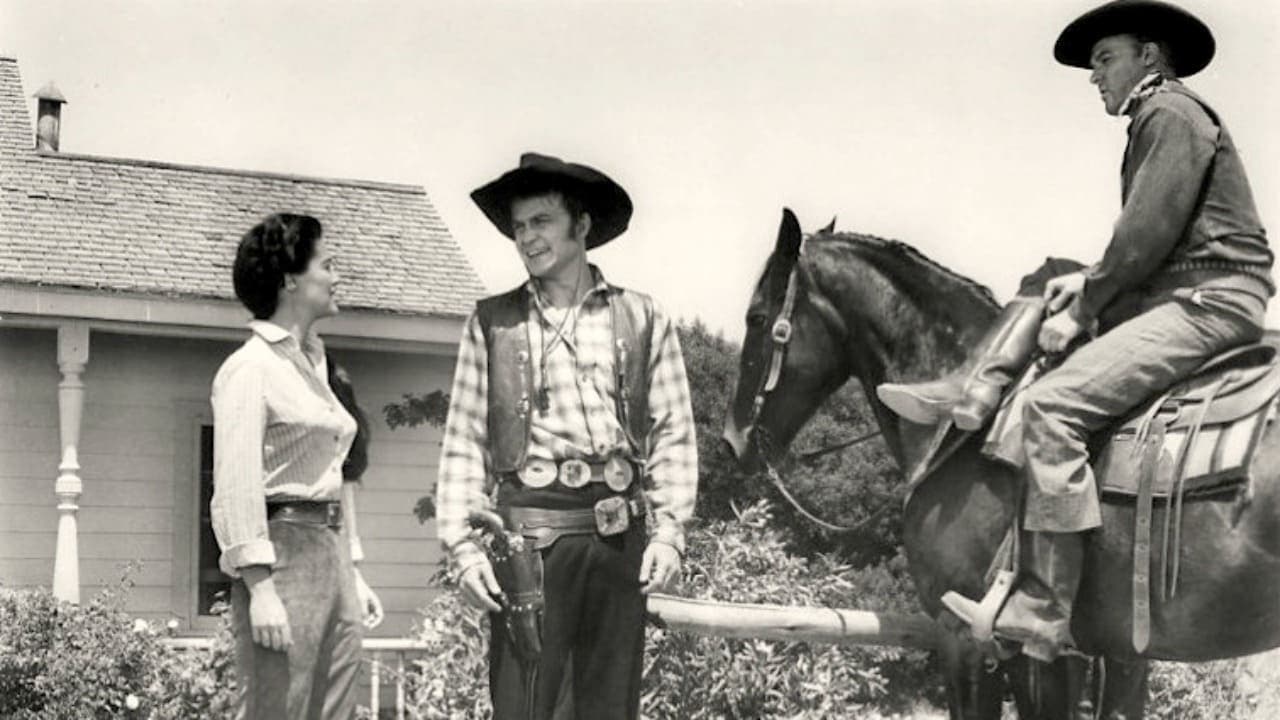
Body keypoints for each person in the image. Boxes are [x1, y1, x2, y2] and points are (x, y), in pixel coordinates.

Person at [877, 0, 1273, 662]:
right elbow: (1154, 242)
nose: (1096, 76)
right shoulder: (1168, 115)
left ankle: (1044, 604)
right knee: (1050, 274)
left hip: (1205, 303)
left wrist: (1088, 302)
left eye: (1105, 59)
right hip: (1192, 291)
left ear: (1149, 56)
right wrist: (1082, 281)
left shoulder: (1168, 111)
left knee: (1052, 408)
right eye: (1094, 65)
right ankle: (970, 391)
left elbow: (1143, 235)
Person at [434, 153, 698, 719]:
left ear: (581, 226)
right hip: (529, 541)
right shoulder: (492, 323)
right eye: (519, 226)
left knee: (609, 707)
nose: (526, 237)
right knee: (525, 704)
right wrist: (461, 548)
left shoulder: (643, 317)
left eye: (541, 221)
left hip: (618, 539)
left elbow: (674, 431)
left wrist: (669, 531)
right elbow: (463, 443)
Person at [211, 213, 383, 719]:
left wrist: (350, 568)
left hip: (330, 555)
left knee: (332, 709)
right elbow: (236, 485)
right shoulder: (250, 368)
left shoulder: (315, 364)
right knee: (278, 709)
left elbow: (332, 471)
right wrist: (260, 588)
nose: (336, 276)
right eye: (327, 265)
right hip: (281, 555)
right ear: (290, 279)